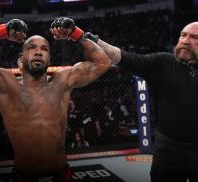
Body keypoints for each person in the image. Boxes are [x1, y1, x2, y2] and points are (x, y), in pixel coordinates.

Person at [0, 17, 111, 181]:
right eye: (32, 48)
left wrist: (75, 33)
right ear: (22, 58)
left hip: (61, 174)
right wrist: (1, 32)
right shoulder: (7, 84)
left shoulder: (63, 81)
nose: (38, 52)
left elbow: (103, 62)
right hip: (24, 176)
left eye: (44, 49)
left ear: (49, 58)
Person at [84, 22, 198, 181]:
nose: (185, 40)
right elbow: (124, 58)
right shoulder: (163, 62)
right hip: (168, 150)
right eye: (183, 35)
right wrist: (94, 41)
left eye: (194, 37)